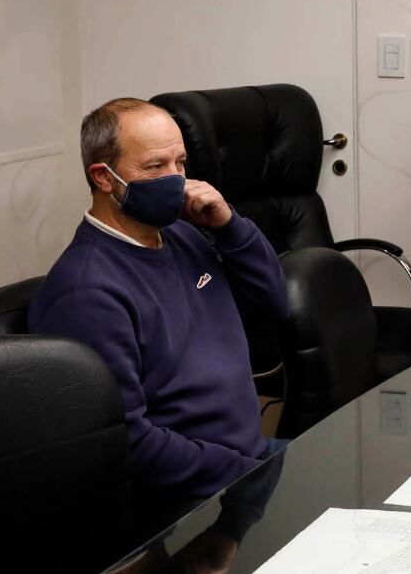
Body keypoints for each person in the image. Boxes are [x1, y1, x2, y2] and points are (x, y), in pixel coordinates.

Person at [29, 98, 290, 528]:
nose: (176, 180)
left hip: (251, 459)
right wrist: (243, 477)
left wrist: (229, 225)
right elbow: (128, 443)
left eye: (181, 163)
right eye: (155, 167)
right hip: (192, 500)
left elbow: (273, 303)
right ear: (104, 177)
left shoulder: (183, 237)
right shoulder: (87, 291)